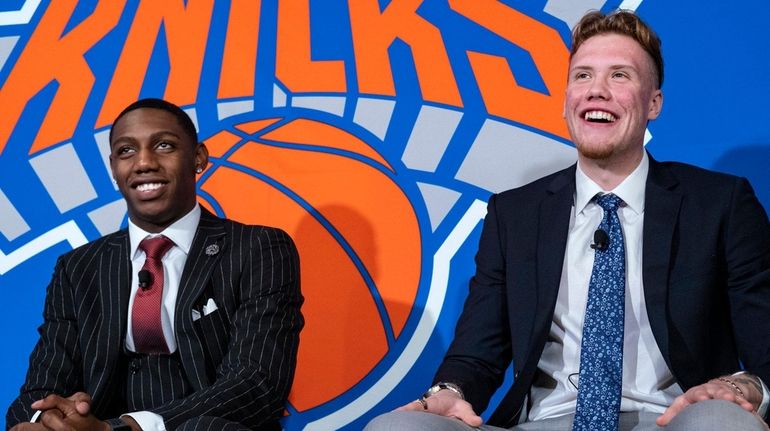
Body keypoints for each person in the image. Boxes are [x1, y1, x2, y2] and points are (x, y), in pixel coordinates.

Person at [365, 9, 770, 431]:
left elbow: (766, 351)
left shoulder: (719, 204)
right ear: (565, 104)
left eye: (620, 76)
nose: (596, 90)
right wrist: (451, 391)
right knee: (398, 427)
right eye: (582, 76)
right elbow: (476, 355)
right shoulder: (515, 215)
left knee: (724, 424)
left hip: (673, 419)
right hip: (546, 421)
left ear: (654, 104)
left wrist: (742, 389)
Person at [6, 98, 304, 431]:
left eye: (164, 145)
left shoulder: (257, 249)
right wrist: (45, 421)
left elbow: (255, 383)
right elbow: (41, 386)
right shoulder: (78, 267)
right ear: (114, 169)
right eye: (126, 151)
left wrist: (127, 428)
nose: (144, 162)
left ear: (198, 157)